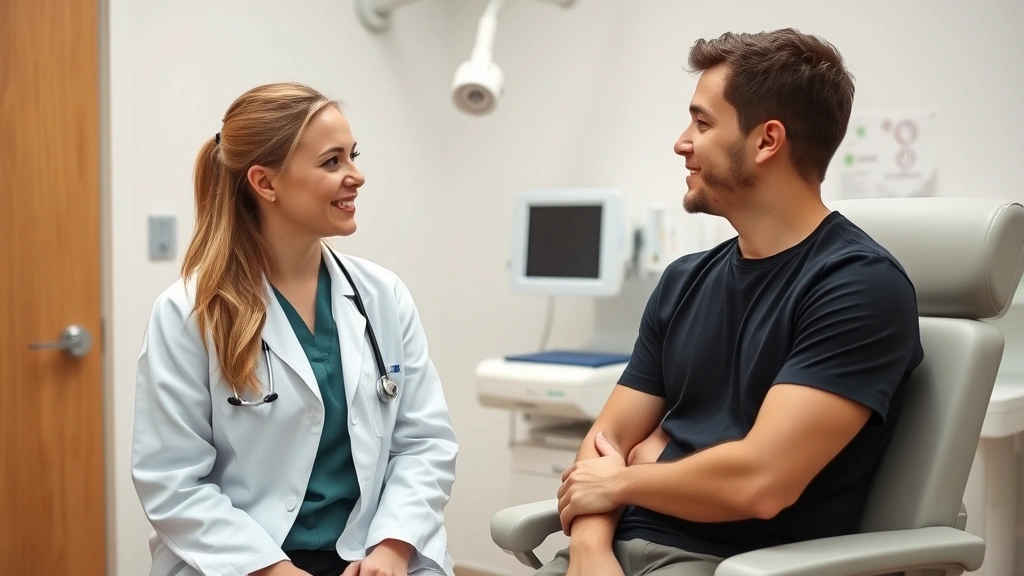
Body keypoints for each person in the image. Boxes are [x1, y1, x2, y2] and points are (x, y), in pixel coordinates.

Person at [545, 28, 924, 576]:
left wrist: (629, 476)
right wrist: (589, 550)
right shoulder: (684, 280)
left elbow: (759, 482)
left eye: (702, 124)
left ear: (767, 141)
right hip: (609, 547)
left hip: (730, 563)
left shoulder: (858, 286)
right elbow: (605, 443)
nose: (682, 143)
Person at [131, 82, 459, 576]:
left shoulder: (382, 295)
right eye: (332, 162)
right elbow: (172, 481)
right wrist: (272, 569)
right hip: (245, 559)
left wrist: (393, 547)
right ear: (266, 183)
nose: (357, 176)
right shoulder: (189, 312)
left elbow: (424, 443)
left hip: (372, 550)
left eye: (353, 156)